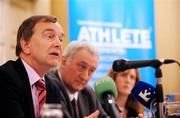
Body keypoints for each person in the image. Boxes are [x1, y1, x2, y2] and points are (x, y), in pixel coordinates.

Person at [0, 15, 64, 118]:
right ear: (25, 45)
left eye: (61, 39)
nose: (58, 44)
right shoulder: (4, 78)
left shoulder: (53, 87)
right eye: (49, 36)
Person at [46, 41, 107, 118]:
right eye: (82, 67)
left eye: (91, 71)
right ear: (64, 62)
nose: (85, 77)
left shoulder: (88, 92)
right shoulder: (49, 86)